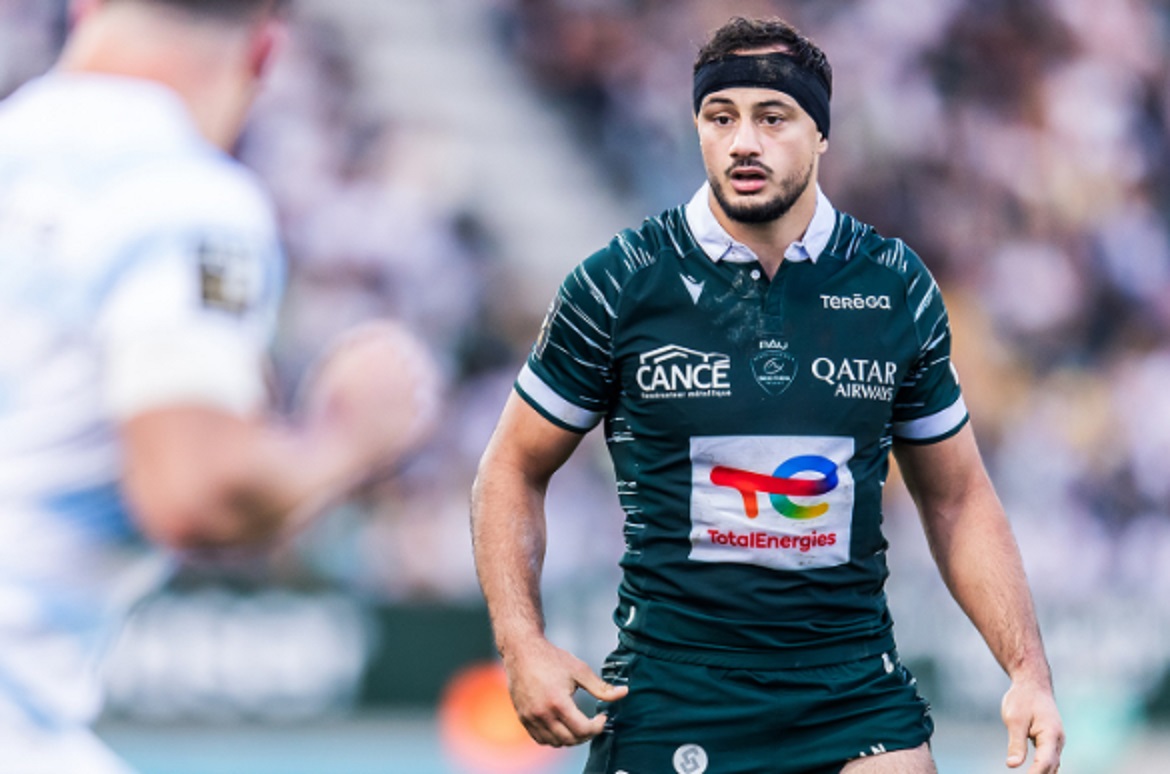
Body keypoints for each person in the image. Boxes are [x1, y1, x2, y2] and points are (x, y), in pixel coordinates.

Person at [471, 15, 1064, 774]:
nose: (743, 141)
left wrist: (1027, 672)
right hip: (675, 688)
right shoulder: (620, 282)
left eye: (772, 117)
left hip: (849, 689)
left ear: (821, 134)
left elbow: (958, 499)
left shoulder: (894, 286)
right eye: (720, 118)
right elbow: (510, 468)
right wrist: (522, 644)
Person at [0, 0, 438, 771]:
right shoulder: (180, 195)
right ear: (265, 52)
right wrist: (349, 436)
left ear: (85, 6)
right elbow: (200, 491)